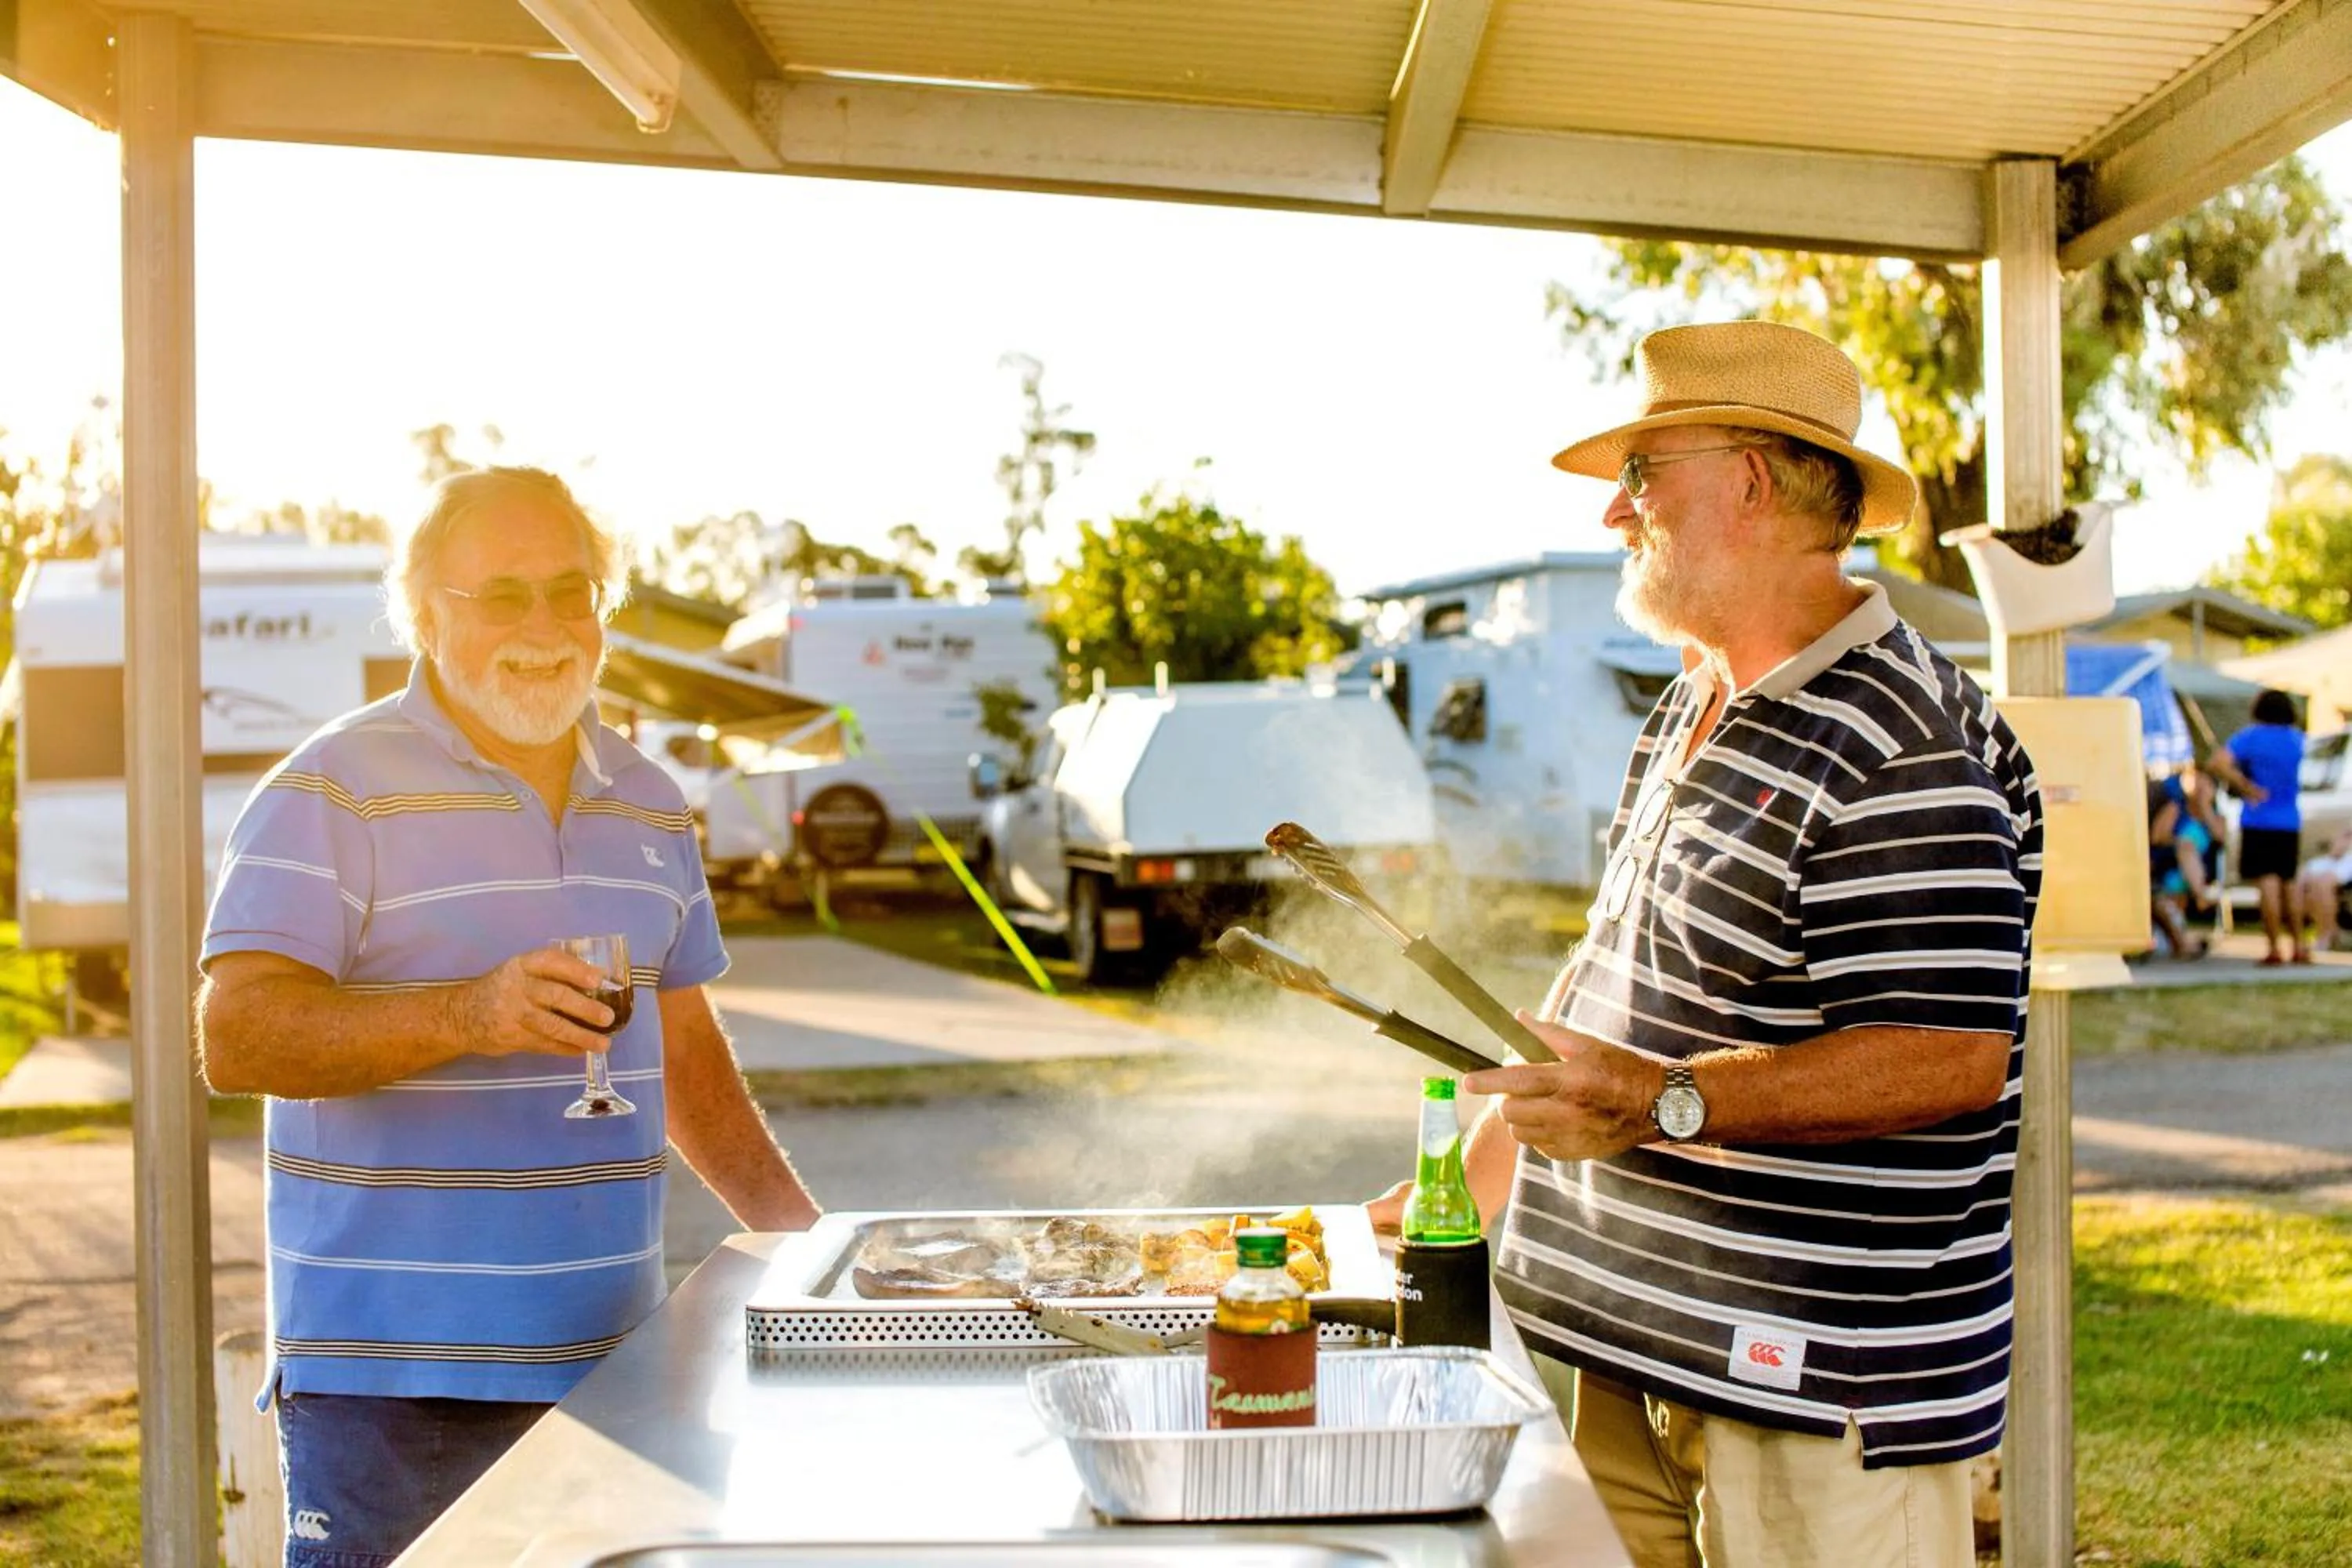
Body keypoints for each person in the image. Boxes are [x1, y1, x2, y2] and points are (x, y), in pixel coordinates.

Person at [1376, 321, 2042, 1568]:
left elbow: (1949, 1059)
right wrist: (1473, 1176)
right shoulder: (1697, 692)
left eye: (1642, 477)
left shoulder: (1907, 738)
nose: (1618, 517)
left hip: (1811, 1400)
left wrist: (1660, 1102)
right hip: (1625, 1347)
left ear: (1747, 479)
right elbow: (1619, 963)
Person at [197, 466, 822, 1567]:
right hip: (395, 1398)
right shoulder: (329, 790)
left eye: (571, 591)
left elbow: (681, 1049)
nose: (544, 627)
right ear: (425, 612)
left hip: (615, 1371)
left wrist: (808, 1250)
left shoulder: (650, 799)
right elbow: (239, 1035)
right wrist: (471, 1013)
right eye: (503, 596)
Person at [2206, 688, 2308, 964]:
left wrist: (2246, 786)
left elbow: (2218, 762)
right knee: (2290, 883)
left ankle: (2274, 947)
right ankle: (2300, 945)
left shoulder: (2250, 738)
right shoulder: (2297, 739)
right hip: (2289, 819)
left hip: (2259, 818)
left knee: (2267, 885)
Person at [2147, 765, 2220, 959]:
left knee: (2186, 852)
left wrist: (2204, 807)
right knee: (2185, 847)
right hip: (2169, 865)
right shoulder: (2175, 807)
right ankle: (2199, 898)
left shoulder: (2215, 815)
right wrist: (2179, 843)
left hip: (2200, 871)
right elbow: (2157, 838)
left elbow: (2220, 837)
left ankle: (2182, 940)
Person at [2299, 827, 2352, 953]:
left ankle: (2327, 935)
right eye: (2345, 836)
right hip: (2313, 900)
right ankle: (2323, 935)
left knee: (2324, 884)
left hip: (2339, 899)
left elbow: (2337, 879)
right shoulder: (2316, 863)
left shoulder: (2349, 861)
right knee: (2306, 887)